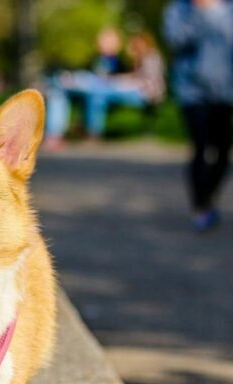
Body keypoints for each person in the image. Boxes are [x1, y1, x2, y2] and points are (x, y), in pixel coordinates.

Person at [163, 0, 233, 233]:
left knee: (223, 152)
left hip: (225, 92)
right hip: (192, 93)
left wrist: (213, 11)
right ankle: (200, 207)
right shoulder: (178, 10)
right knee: (200, 147)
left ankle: (208, 195)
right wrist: (199, 13)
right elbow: (176, 39)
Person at [44, 28, 165, 149]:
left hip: (144, 94)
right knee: (61, 90)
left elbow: (146, 82)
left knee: (96, 92)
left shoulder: (146, 58)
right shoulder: (97, 58)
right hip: (103, 88)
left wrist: (120, 80)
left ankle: (89, 132)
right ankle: (59, 134)